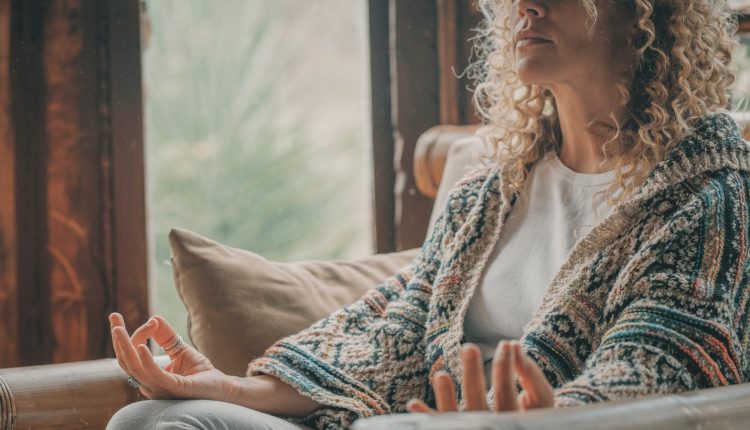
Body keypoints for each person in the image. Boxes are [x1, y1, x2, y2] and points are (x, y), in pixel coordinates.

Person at [107, 0, 750, 429]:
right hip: (423, 423)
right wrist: (229, 388)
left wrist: (531, 420)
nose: (524, 3)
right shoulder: (488, 191)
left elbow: (657, 366)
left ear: (645, 15)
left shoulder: (709, 195)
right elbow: (400, 332)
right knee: (146, 421)